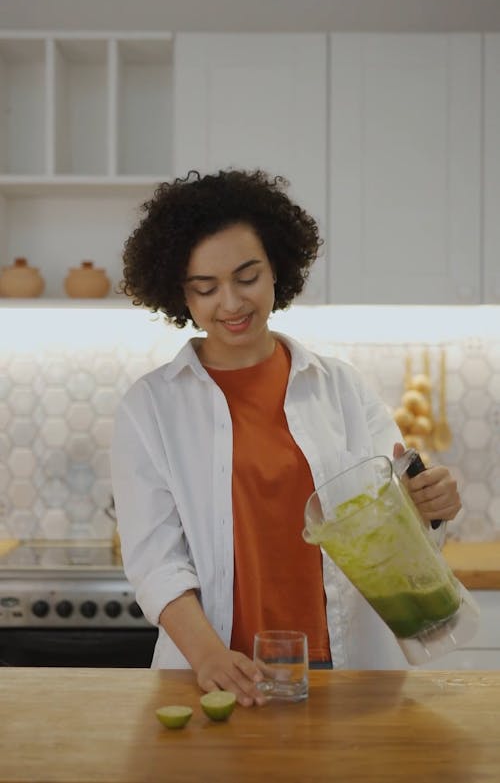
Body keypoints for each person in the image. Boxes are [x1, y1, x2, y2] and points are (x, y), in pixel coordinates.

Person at [111, 168, 461, 707]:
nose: (230, 303)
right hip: (222, 674)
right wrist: (208, 657)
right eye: (205, 288)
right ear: (181, 293)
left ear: (278, 267)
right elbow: (156, 561)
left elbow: (395, 525)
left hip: (349, 667)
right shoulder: (151, 407)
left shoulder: (340, 387)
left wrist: (429, 505)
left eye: (246, 277)